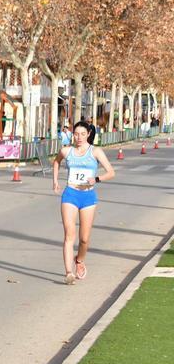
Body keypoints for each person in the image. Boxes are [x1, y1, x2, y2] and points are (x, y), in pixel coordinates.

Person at [53, 120, 115, 284]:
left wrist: (97, 179)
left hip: (88, 197)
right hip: (70, 194)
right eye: (76, 134)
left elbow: (111, 172)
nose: (79, 137)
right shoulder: (66, 151)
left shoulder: (95, 151)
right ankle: (69, 273)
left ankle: (79, 260)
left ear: (88, 134)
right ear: (72, 135)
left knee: (84, 239)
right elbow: (56, 161)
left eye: (82, 134)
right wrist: (55, 181)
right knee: (69, 235)